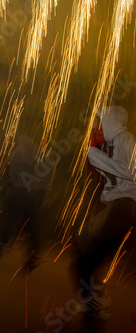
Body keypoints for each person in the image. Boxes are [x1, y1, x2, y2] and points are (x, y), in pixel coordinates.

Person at [70, 106, 136, 324]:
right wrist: (95, 148)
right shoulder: (113, 143)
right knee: (85, 261)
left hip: (123, 209)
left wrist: (99, 155)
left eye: (104, 120)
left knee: (83, 253)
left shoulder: (126, 140)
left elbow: (130, 173)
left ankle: (93, 305)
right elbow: (94, 175)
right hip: (116, 210)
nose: (101, 124)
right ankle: (94, 307)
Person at [0, 134, 50, 271]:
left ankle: (4, 249)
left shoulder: (30, 154)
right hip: (29, 192)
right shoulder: (28, 153)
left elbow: (9, 171)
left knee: (14, 220)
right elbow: (8, 169)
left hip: (29, 193)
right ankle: (1, 247)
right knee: (18, 221)